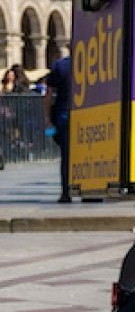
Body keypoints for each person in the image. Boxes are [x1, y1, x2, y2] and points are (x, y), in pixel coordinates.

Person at [43, 53, 72, 203]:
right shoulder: (94, 62)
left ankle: (66, 192)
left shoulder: (60, 66)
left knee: (66, 155)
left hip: (64, 114)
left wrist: (47, 119)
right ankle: (90, 191)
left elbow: (48, 95)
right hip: (89, 113)